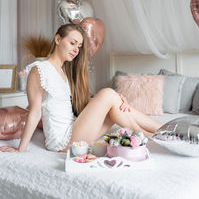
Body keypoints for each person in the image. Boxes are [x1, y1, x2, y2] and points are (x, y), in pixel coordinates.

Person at [0, 23, 162, 153]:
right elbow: (34, 113)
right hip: (62, 141)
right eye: (72, 43)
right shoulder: (39, 69)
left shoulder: (63, 71)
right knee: (107, 94)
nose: (76, 50)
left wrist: (114, 100)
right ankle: (147, 135)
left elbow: (81, 103)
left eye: (78, 46)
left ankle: (163, 131)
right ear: (57, 39)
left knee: (114, 102)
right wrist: (20, 149)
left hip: (74, 128)